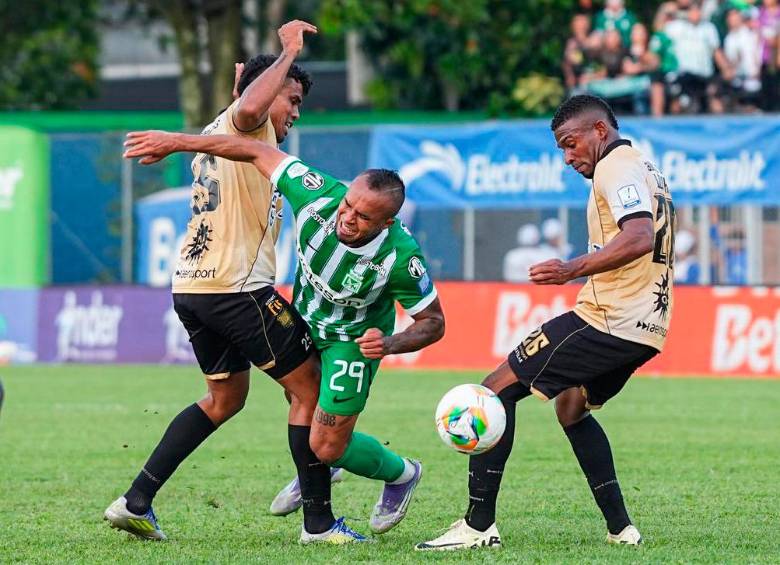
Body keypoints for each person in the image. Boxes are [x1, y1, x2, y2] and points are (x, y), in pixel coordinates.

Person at [104, 20, 368, 546]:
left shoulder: (218, 126)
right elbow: (251, 108)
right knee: (312, 389)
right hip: (237, 288)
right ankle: (318, 523)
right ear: (263, 90)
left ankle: (135, 501)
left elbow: (244, 104)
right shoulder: (250, 125)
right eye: (291, 97)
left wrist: (254, 78)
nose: (293, 111)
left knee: (224, 400)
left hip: (194, 287)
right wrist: (288, 50)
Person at [123, 129, 446, 538]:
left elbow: (434, 323)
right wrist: (176, 141)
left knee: (327, 444)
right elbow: (253, 148)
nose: (347, 218)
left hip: (352, 342)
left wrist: (389, 343)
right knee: (300, 400)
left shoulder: (402, 258)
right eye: (348, 205)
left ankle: (400, 474)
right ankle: (317, 479)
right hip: (306, 321)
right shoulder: (317, 195)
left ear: (388, 222)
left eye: (364, 217)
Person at [416, 94, 675, 551]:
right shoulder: (645, 167)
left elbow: (638, 236)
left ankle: (477, 526)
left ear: (599, 131)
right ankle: (621, 528)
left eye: (570, 144)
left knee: (494, 390)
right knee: (571, 409)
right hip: (646, 328)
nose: (567, 157)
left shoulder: (616, 167)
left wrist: (570, 269)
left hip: (608, 317)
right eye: (561, 149)